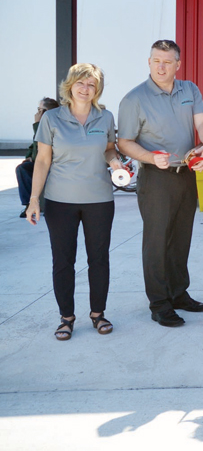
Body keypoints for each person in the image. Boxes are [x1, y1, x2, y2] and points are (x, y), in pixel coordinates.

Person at [118, 40, 203, 327]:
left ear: (178, 64)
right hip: (156, 178)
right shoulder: (134, 99)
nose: (161, 66)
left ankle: (178, 293)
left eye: (167, 61)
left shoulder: (190, 90)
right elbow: (124, 142)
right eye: (156, 60)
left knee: (180, 238)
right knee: (157, 241)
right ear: (149, 62)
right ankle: (159, 303)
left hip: (186, 175)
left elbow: (202, 122)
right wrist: (149, 157)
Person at [26, 64, 123, 340]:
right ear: (70, 86)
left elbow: (108, 148)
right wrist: (34, 200)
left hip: (100, 200)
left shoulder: (105, 117)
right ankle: (66, 317)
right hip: (60, 202)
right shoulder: (52, 118)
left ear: (97, 89)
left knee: (99, 259)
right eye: (80, 83)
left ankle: (98, 314)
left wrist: (115, 161)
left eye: (91, 84)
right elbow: (43, 160)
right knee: (63, 261)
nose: (85, 89)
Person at [16, 97, 58, 217]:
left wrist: (37, 125)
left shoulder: (52, 123)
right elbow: (33, 146)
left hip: (53, 163)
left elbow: (43, 146)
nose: (37, 113)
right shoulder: (40, 125)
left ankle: (47, 205)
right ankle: (29, 204)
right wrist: (29, 156)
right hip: (39, 161)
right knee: (22, 168)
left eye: (40, 110)